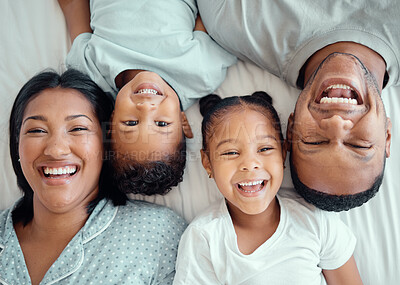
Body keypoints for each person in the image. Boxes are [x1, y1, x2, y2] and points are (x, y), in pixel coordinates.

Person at [196, 0, 395, 211]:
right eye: (358, 145)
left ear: (291, 128)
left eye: (314, 141)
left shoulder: (233, 20)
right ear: (387, 134)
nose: (336, 122)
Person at [0, 69, 186, 284]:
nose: (56, 149)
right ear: (17, 145)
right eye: (37, 131)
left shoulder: (158, 234)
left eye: (78, 128)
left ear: (106, 142)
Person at [173, 92, 362, 284]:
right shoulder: (204, 238)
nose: (250, 164)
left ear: (282, 153)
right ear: (207, 163)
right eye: (231, 152)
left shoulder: (316, 221)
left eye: (264, 149)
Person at [57, 0, 237, 196]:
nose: (146, 107)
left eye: (131, 122)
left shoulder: (91, 74)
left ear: (111, 121)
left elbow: (73, 5)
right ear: (183, 121)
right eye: (161, 124)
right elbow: (211, 13)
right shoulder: (200, 72)